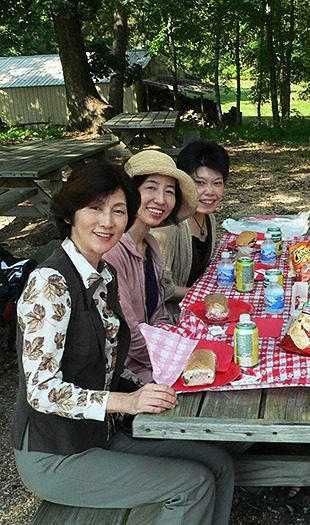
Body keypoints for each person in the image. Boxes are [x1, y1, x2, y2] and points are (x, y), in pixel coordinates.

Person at [12, 162, 234, 524]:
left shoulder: (103, 272)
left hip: (101, 433)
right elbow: (41, 390)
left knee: (219, 465)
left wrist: (151, 385)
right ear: (71, 214)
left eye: (118, 211)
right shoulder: (49, 284)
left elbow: (112, 359)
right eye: (95, 208)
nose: (108, 222)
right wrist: (127, 401)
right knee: (191, 484)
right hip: (55, 453)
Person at [104, 150, 198, 383]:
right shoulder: (112, 251)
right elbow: (128, 331)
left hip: (153, 358)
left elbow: (158, 315)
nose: (161, 199)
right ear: (129, 193)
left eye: (169, 191)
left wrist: (172, 344)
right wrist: (171, 360)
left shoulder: (151, 244)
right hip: (124, 370)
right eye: (151, 187)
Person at [152, 140, 229, 323]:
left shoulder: (208, 217)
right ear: (183, 184)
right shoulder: (170, 226)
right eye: (200, 183)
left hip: (200, 309)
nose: (209, 192)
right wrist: (204, 294)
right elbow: (161, 287)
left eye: (217, 183)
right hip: (173, 317)